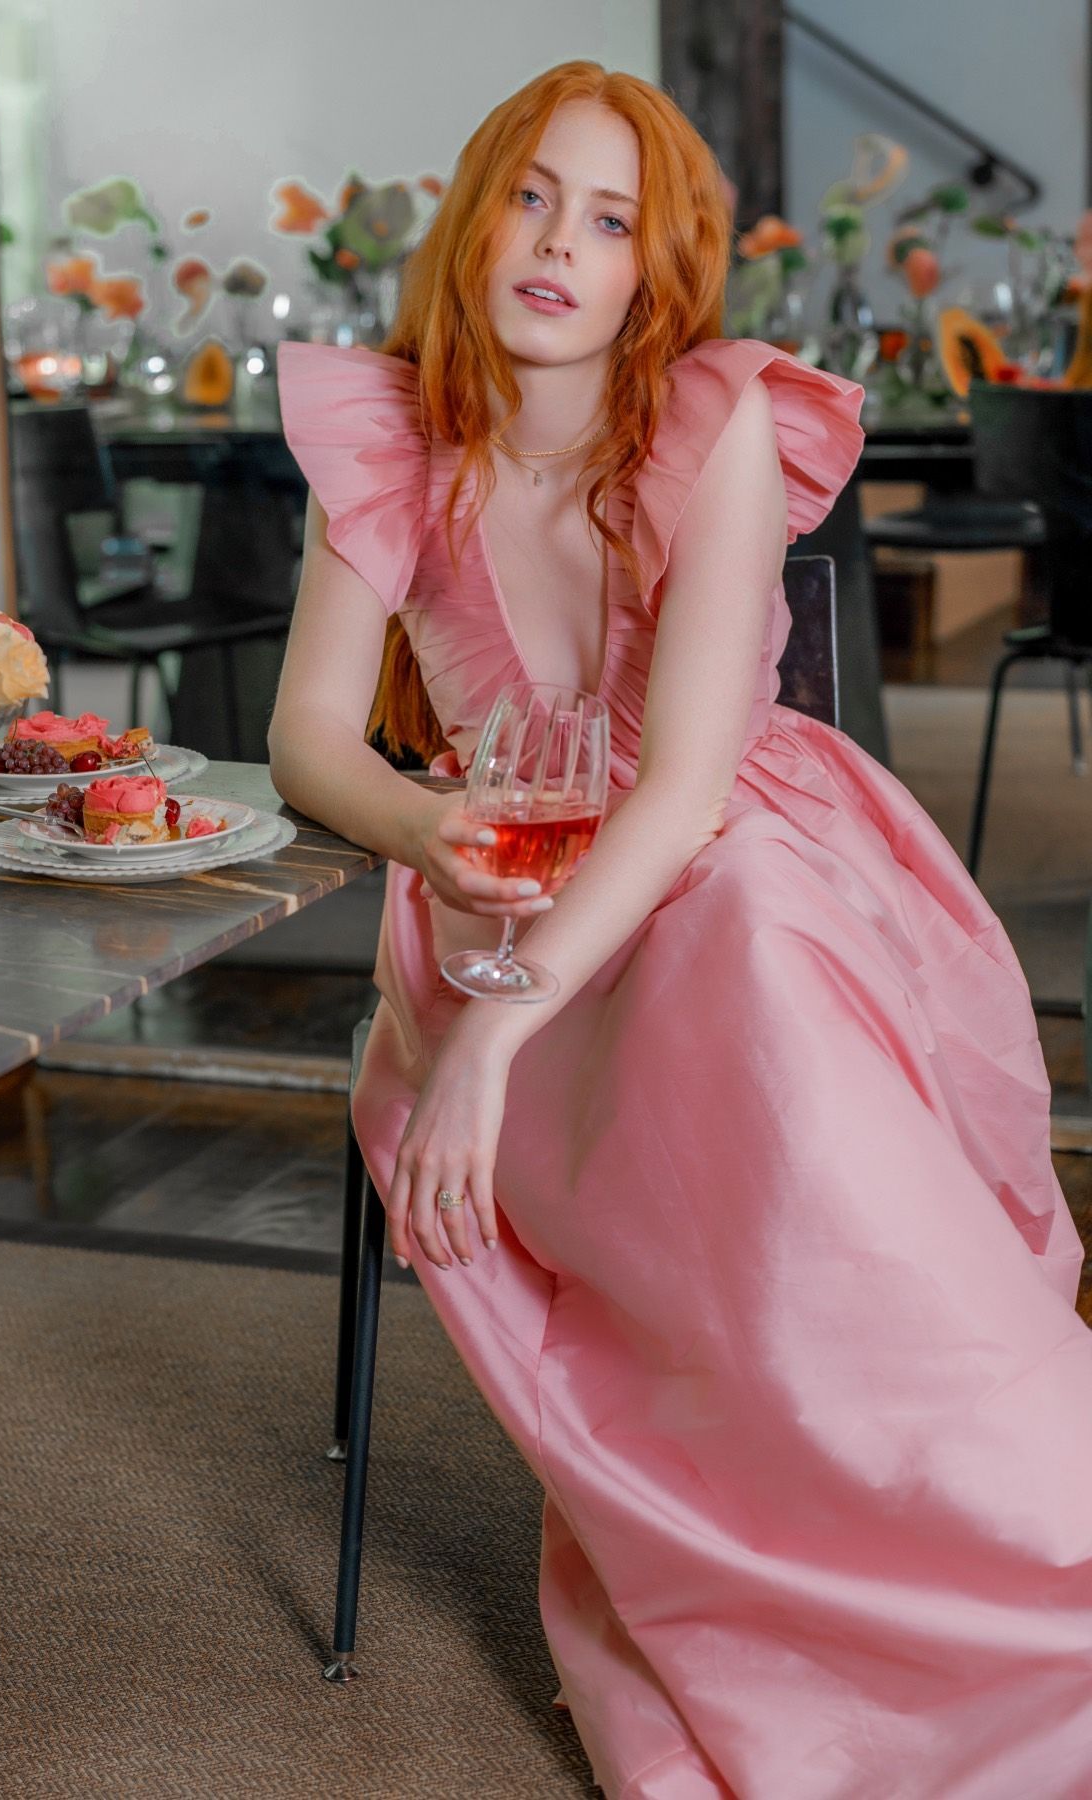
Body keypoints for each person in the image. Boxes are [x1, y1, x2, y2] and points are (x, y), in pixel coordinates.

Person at [269, 58, 1092, 1800]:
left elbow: (689, 783)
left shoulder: (710, 420)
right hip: (499, 874)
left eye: (614, 218)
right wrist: (433, 829)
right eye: (532, 196)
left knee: (750, 944)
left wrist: (494, 1039)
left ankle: (1003, 1509)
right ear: (477, 216)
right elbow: (310, 740)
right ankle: (784, 1539)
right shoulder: (396, 437)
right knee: (714, 964)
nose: (562, 243)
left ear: (661, 270)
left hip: (716, 845)